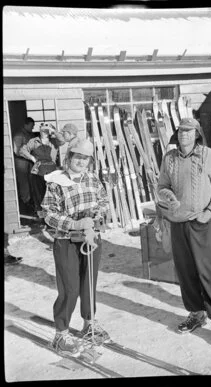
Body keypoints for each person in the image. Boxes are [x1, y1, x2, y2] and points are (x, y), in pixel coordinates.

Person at [157, 117, 211, 350]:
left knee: (209, 274)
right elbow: (162, 186)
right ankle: (196, 314)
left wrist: (209, 211)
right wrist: (166, 196)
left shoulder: (210, 156)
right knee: (186, 273)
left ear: (197, 134)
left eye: (189, 131)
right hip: (177, 224)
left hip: (201, 223)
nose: (184, 134)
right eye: (181, 130)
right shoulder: (169, 158)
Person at [41, 139, 110, 357]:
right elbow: (49, 213)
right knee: (70, 288)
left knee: (89, 284)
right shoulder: (56, 182)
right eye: (77, 157)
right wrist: (73, 224)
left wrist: (94, 220)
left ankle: (89, 323)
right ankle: (60, 334)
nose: (81, 161)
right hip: (66, 242)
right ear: (69, 157)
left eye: (85, 158)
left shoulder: (92, 179)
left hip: (91, 239)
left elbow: (103, 201)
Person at [19, 122, 65, 217]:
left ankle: (53, 215)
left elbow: (62, 141)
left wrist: (54, 131)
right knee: (38, 192)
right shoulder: (34, 141)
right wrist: (31, 157)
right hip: (37, 169)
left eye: (45, 128)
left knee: (52, 192)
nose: (43, 130)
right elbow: (22, 150)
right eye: (42, 128)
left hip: (51, 169)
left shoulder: (53, 141)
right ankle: (42, 216)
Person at [12, 117, 35, 212]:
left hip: (28, 161)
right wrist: (29, 156)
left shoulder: (29, 134)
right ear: (26, 124)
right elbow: (16, 151)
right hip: (21, 161)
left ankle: (30, 199)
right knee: (23, 181)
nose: (32, 128)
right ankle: (25, 202)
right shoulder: (19, 135)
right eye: (31, 126)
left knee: (30, 180)